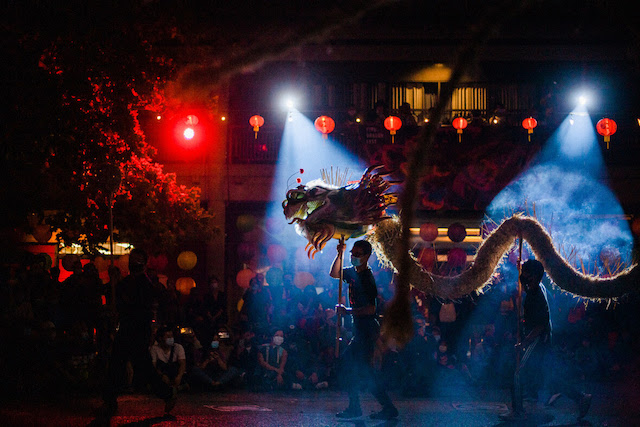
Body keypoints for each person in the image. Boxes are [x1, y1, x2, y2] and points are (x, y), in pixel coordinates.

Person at [501, 259, 591, 421]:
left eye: (526, 274)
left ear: (534, 276)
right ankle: (580, 397)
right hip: (541, 340)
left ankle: (517, 410)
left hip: (537, 340)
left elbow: (541, 324)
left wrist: (525, 342)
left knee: (517, 371)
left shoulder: (535, 295)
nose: (523, 277)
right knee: (546, 377)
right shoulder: (538, 289)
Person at [98, 249, 176, 421]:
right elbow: (116, 299)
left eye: (138, 260)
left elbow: (143, 305)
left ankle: (167, 393)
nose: (135, 262)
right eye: (133, 259)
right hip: (125, 328)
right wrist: (114, 282)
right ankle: (109, 400)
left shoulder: (147, 284)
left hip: (139, 329)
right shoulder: (124, 283)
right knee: (116, 364)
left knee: (143, 367)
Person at [330, 239, 398, 420]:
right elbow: (334, 273)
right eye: (352, 253)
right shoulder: (352, 273)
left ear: (367, 256)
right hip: (360, 330)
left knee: (351, 366)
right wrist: (340, 254)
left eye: (357, 254)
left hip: (367, 330)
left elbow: (371, 309)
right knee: (361, 370)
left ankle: (358, 408)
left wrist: (347, 311)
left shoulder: (367, 278)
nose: (353, 256)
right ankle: (381, 408)